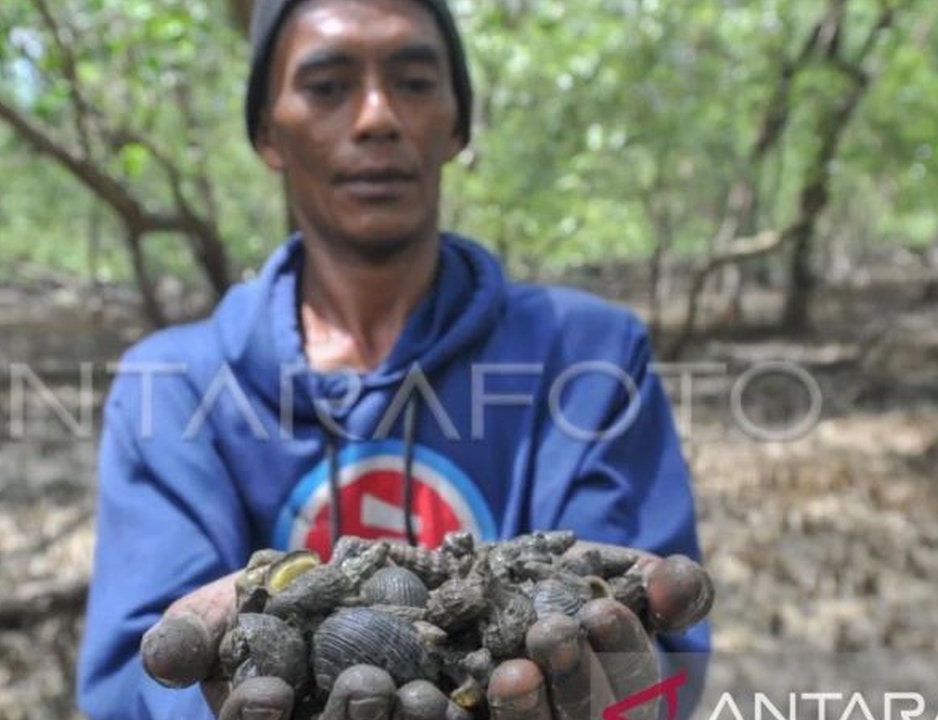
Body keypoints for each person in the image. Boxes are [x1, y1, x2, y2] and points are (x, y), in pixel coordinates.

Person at [77, 0, 713, 718]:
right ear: (267, 132)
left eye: (413, 81)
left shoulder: (591, 355)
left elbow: (661, 671)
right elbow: (131, 683)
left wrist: (623, 683)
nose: (377, 116)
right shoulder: (171, 385)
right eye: (327, 86)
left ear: (457, 123)